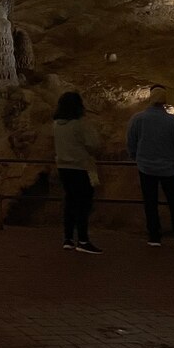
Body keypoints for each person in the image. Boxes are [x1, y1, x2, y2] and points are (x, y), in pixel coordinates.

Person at [126, 85, 174, 248]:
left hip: (146, 167)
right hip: (169, 168)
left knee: (150, 202)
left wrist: (135, 157)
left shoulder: (138, 119)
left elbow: (131, 142)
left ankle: (154, 236)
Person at [52, 92, 102, 254]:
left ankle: (68, 238)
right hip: (80, 168)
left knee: (70, 202)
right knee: (83, 204)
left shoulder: (56, 124)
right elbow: (94, 144)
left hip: (63, 168)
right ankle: (83, 240)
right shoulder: (79, 124)